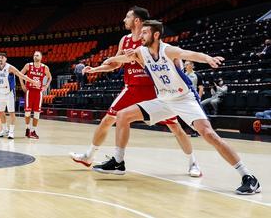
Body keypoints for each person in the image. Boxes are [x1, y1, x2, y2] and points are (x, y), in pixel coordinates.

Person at [93, 20, 261, 195]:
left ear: (156, 35)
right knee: (122, 115)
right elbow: (117, 61)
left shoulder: (168, 50)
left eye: (145, 33)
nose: (140, 36)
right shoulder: (140, 52)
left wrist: (207, 58)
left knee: (209, 135)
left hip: (184, 99)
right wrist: (98, 67)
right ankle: (118, 162)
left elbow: (189, 54)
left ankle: (248, 177)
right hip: (164, 100)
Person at [70, 6, 201, 178]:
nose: (124, 20)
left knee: (175, 127)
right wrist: (95, 70)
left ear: (137, 20)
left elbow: (160, 61)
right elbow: (116, 63)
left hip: (155, 90)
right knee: (108, 119)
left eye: (127, 17)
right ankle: (89, 156)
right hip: (132, 88)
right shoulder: (124, 40)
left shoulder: (150, 40)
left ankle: (193, 163)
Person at [0, 52, 38, 139]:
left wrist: (33, 82)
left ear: (6, 59)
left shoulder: (10, 68)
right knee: (1, 112)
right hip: (1, 93)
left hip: (9, 93)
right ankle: (5, 130)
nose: (0, 59)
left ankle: (11, 131)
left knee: (11, 113)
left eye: (2, 58)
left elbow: (21, 75)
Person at [19, 51, 51, 139]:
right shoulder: (28, 65)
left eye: (37, 55)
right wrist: (22, 85)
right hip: (30, 91)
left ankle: (33, 131)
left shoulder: (45, 67)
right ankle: (27, 129)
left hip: (38, 92)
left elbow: (50, 77)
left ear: (41, 57)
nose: (35, 56)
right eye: (34, 55)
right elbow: (20, 75)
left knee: (37, 113)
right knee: (27, 112)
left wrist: (46, 86)